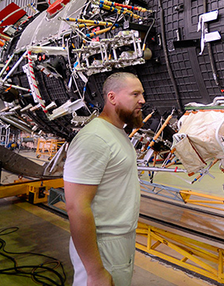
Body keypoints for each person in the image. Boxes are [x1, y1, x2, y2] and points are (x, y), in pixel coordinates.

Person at [64, 72, 145, 286]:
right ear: (112, 98)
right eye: (135, 94)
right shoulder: (95, 138)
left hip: (117, 240)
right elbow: (76, 207)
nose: (142, 100)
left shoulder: (116, 132)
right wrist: (95, 271)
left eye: (142, 94)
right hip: (102, 244)